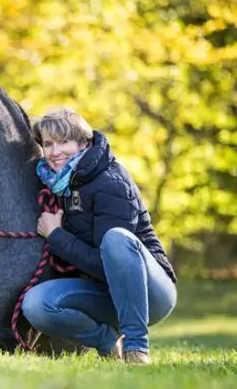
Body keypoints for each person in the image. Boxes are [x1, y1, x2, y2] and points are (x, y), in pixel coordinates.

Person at [21, 107, 177, 365]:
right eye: (48, 144)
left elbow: (109, 263)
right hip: (104, 294)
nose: (54, 151)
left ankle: (136, 347)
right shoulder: (56, 182)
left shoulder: (111, 182)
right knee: (36, 304)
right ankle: (106, 342)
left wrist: (56, 235)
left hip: (150, 293)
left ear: (84, 143)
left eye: (63, 141)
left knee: (116, 238)